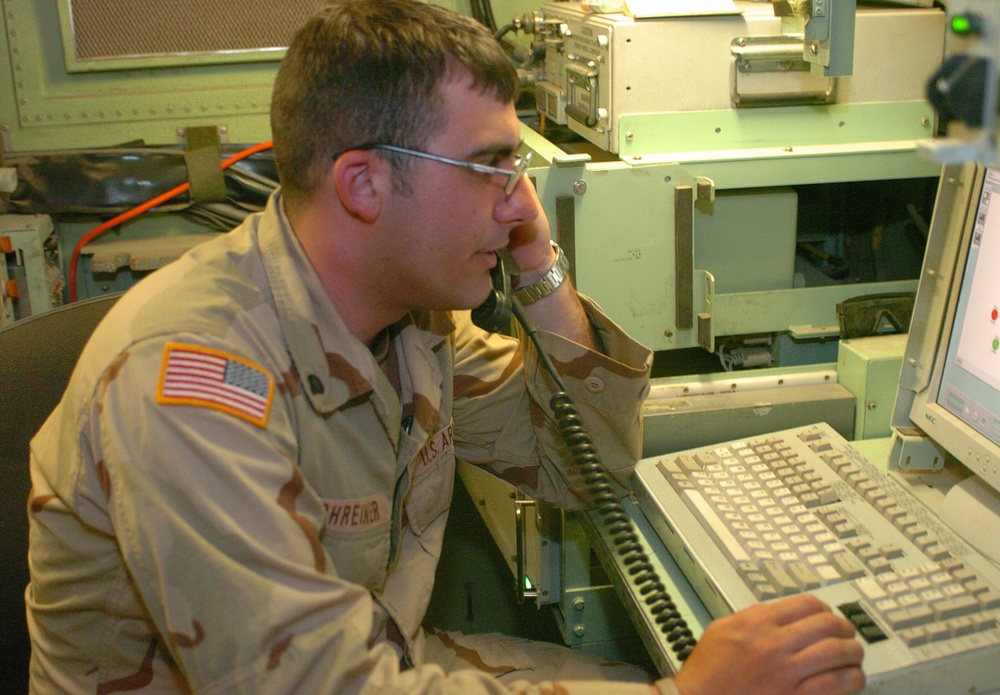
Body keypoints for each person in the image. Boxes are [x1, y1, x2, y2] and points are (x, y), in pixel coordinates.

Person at [24, 1, 865, 693]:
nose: (518, 201)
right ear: (365, 184)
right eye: (491, 166)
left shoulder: (408, 320)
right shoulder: (192, 383)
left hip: (377, 657)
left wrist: (538, 266)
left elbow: (583, 468)